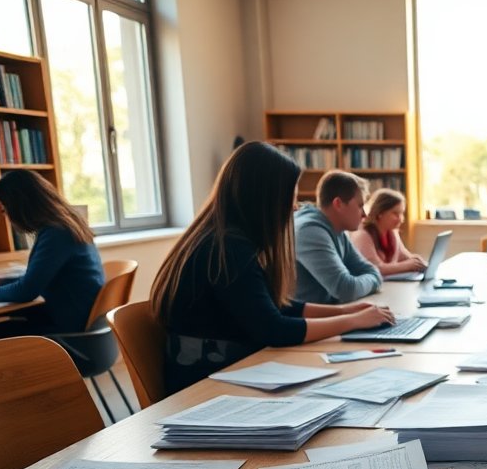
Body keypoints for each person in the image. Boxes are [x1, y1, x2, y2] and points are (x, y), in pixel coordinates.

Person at [150, 142, 393, 395]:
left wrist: (345, 310)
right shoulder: (228, 249)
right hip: (206, 388)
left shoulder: (223, 238)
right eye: (291, 196)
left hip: (226, 372)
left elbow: (272, 306)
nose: (294, 206)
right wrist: (352, 321)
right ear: (265, 197)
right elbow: (274, 329)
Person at [0, 170, 103, 337]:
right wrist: (0, 282)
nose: (4, 215)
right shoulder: (65, 226)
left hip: (68, 331)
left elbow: (27, 291)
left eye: (4, 209)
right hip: (73, 320)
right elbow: (40, 280)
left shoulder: (57, 234)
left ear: (20, 207)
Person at [293, 170, 382, 303]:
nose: (365, 214)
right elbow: (345, 289)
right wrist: (371, 281)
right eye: (360, 206)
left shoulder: (337, 229)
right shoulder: (310, 231)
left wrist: (370, 279)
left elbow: (373, 272)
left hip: (330, 315)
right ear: (338, 204)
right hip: (309, 321)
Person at [349, 188, 427, 277]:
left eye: (402, 213)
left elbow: (404, 256)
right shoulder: (363, 235)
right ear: (380, 213)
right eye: (395, 214)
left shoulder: (392, 232)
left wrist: (419, 262)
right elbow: (375, 268)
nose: (401, 219)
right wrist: (408, 265)